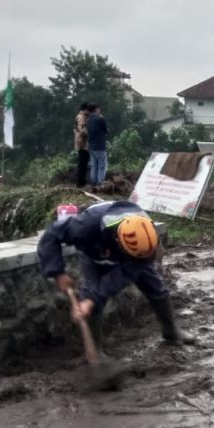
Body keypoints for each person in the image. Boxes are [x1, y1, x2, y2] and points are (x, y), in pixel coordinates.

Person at [37, 200, 195, 355]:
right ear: (118, 240)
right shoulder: (85, 227)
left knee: (156, 287)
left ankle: (171, 330)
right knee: (90, 296)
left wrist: (93, 299)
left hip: (136, 256)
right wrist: (58, 273)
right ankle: (96, 352)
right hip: (94, 251)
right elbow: (51, 235)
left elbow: (119, 277)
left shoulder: (144, 233)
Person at [86, 104, 108, 190]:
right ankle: (100, 183)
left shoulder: (88, 119)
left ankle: (93, 182)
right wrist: (102, 118)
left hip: (91, 145)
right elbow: (106, 130)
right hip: (99, 145)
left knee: (94, 164)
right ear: (96, 109)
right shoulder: (100, 119)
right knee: (102, 165)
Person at [74, 102, 90, 188]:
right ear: (85, 109)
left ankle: (81, 182)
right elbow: (81, 130)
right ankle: (80, 182)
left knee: (84, 162)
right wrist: (90, 134)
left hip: (83, 143)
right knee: (82, 163)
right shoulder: (80, 117)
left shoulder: (84, 116)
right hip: (82, 143)